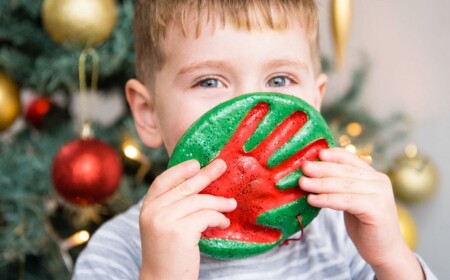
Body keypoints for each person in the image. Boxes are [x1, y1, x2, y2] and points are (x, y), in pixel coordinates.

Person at [73, 0, 437, 279]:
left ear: (314, 102)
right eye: (209, 81)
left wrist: (392, 259)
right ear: (148, 112)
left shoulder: (342, 233)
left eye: (279, 81)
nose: (248, 109)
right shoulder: (119, 250)